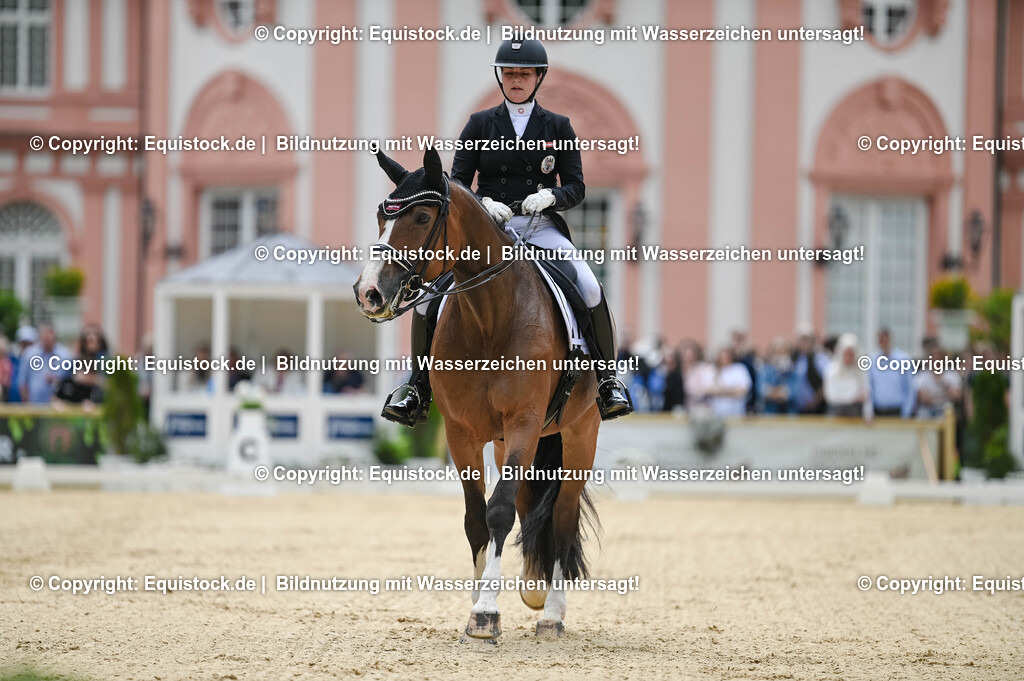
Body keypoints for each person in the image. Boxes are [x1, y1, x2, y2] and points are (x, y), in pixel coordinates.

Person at [381, 38, 633, 426]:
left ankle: (606, 381)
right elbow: (457, 184)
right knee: (431, 299)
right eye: (510, 73)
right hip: (488, 228)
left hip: (541, 226)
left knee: (589, 285)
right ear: (501, 78)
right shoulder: (480, 124)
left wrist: (550, 196)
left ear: (537, 78)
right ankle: (416, 386)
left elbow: (577, 187)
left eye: (524, 74)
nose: (516, 80)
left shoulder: (558, 126)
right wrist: (483, 203)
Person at [17, 324, 71, 404]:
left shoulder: (65, 355)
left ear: (54, 336)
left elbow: (70, 381)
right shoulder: (29, 354)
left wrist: (57, 380)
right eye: (44, 334)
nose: (47, 337)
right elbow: (22, 382)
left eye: (49, 333)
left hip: (58, 406)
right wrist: (26, 403)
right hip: (34, 405)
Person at [823, 333, 872, 419]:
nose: (849, 357)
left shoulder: (860, 370)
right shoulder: (831, 370)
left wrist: (868, 415)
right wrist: (853, 398)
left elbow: (866, 394)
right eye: (846, 354)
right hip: (836, 414)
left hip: (855, 414)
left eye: (851, 354)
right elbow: (830, 396)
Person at [869, 328, 914, 417]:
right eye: (880, 339)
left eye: (885, 338)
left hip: (897, 410)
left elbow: (910, 388)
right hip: (877, 410)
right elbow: (870, 387)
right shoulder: (872, 360)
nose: (883, 341)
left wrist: (907, 412)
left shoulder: (903, 359)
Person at [706, 347, 752, 418]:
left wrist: (721, 391)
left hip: (737, 413)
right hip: (717, 414)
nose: (724, 358)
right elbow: (708, 389)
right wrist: (732, 391)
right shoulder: (713, 370)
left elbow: (744, 390)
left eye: (727, 356)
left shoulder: (739, 369)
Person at [7, 325, 38, 403]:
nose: (26, 347)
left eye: (28, 344)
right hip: (12, 405)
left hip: (32, 405)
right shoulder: (12, 360)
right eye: (23, 344)